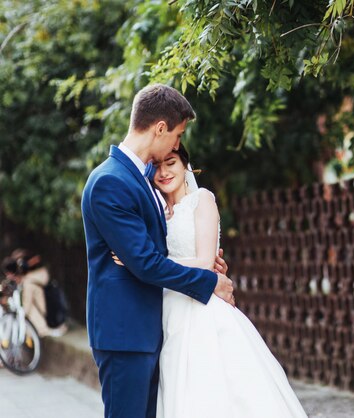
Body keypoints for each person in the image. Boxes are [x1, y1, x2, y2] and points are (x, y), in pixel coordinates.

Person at [81, 84, 235, 418]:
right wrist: (207, 281)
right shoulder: (110, 181)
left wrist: (205, 261)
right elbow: (146, 264)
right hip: (125, 334)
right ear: (160, 128)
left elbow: (156, 249)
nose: (178, 145)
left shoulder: (143, 177)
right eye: (178, 135)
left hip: (151, 330)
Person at [148, 144, 307, 418]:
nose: (163, 172)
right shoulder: (159, 214)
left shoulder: (202, 199)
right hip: (169, 309)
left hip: (202, 310)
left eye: (170, 163)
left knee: (215, 387)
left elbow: (206, 262)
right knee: (179, 388)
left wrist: (147, 263)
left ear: (185, 164)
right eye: (157, 166)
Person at [2, 249, 67, 338]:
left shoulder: (28, 280)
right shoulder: (31, 278)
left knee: (27, 308)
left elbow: (26, 307)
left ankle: (41, 331)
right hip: (50, 314)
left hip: (47, 321)